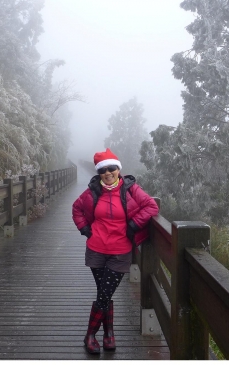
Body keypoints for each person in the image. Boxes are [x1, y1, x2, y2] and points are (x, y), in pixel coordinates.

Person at [72, 148, 159, 354]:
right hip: (96, 248)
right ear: (99, 173)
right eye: (103, 170)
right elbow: (76, 208)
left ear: (118, 169)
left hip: (120, 250)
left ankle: (90, 335)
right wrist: (85, 229)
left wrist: (134, 225)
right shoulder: (93, 191)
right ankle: (109, 334)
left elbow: (151, 206)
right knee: (105, 292)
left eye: (112, 168)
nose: (108, 173)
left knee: (104, 293)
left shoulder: (130, 189)